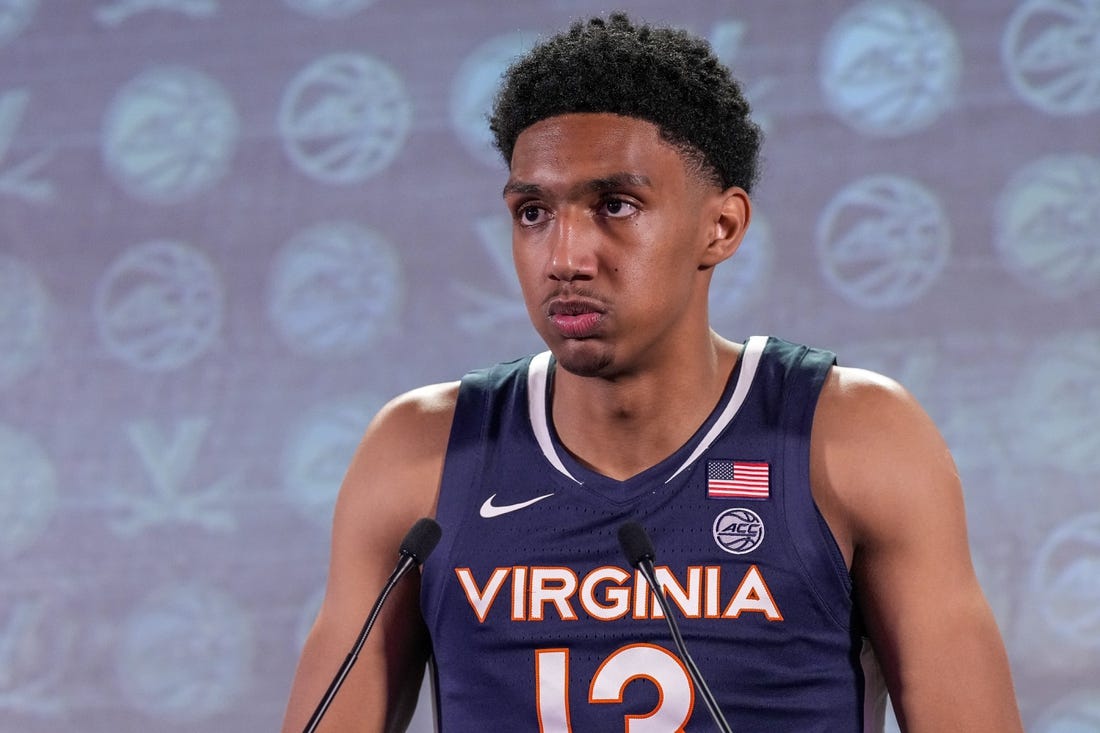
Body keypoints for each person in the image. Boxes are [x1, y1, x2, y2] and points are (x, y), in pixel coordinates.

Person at [281, 13, 1023, 732]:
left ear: (721, 226)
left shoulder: (855, 437)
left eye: (615, 204)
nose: (565, 256)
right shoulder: (420, 455)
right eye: (533, 211)